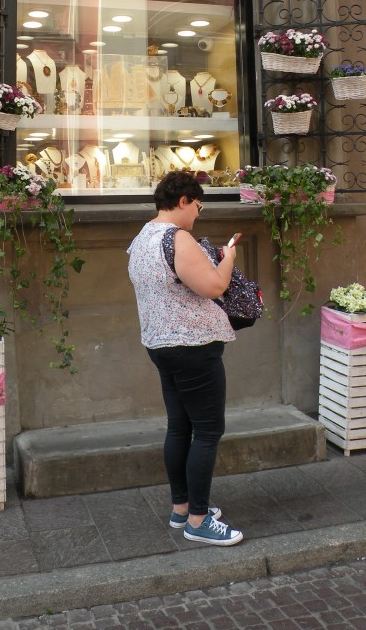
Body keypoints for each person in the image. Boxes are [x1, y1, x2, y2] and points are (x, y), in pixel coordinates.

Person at [127, 171, 243, 546]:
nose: (198, 213)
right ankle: (198, 520)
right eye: (197, 205)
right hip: (193, 347)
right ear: (182, 201)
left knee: (180, 428)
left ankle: (181, 509)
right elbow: (214, 286)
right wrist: (227, 258)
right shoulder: (177, 238)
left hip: (161, 345)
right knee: (207, 431)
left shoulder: (142, 237)